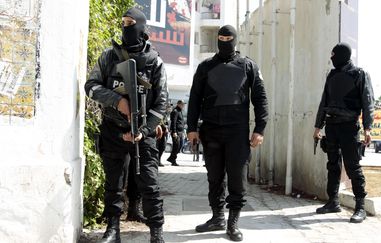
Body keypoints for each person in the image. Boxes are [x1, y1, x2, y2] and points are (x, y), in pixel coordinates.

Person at [85, 7, 167, 243]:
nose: (125, 27)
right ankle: (113, 230)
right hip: (113, 128)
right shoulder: (109, 56)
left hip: (143, 133)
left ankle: (156, 233)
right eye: (123, 23)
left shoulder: (154, 62)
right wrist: (118, 101)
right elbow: (90, 85)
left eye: (130, 23)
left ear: (141, 27)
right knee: (114, 183)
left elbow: (161, 103)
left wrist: (143, 130)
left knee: (149, 184)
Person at [187, 25, 268, 242]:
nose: (224, 41)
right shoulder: (205, 66)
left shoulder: (248, 66)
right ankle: (217, 217)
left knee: (237, 178)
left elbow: (260, 98)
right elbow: (194, 98)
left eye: (228, 38)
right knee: (214, 177)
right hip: (211, 131)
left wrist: (260, 129)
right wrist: (191, 128)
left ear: (235, 40)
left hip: (237, 132)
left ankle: (233, 223)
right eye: (221, 38)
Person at [313, 42, 374, 224]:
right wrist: (318, 126)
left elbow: (367, 102)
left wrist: (368, 128)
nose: (331, 59)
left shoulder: (359, 74)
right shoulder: (332, 75)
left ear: (341, 55)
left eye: (333, 55)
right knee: (333, 165)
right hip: (331, 126)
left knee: (352, 166)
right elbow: (324, 101)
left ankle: (360, 207)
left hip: (349, 127)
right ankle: (333, 202)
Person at [167, 100, 186, 166]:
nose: (183, 105)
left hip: (180, 132)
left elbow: (181, 122)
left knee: (180, 146)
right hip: (176, 132)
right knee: (176, 146)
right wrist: (174, 132)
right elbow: (173, 122)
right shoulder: (175, 111)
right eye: (182, 104)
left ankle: (171, 158)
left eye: (184, 104)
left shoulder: (180, 111)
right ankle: (173, 160)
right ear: (178, 104)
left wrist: (183, 131)